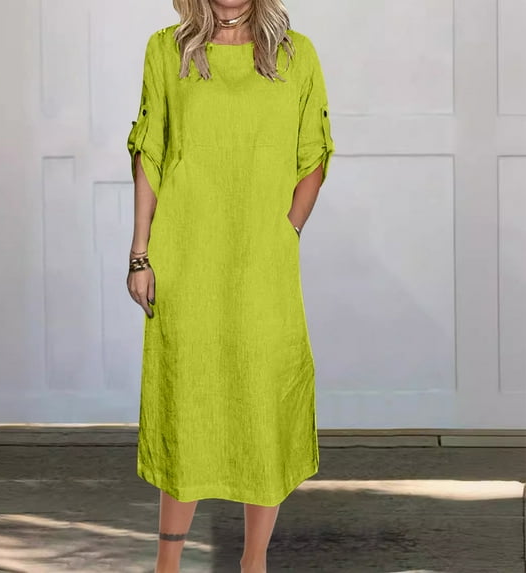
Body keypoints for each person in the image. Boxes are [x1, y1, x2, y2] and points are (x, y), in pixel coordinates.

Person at [126, 1, 335, 571]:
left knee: (261, 401)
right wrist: (141, 253)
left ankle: (253, 561)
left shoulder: (296, 55)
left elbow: (313, 154)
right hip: (186, 257)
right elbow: (150, 152)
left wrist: (287, 229)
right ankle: (168, 564)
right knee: (188, 402)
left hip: (263, 263)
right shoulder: (166, 49)